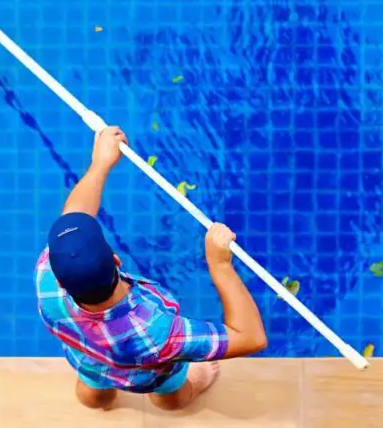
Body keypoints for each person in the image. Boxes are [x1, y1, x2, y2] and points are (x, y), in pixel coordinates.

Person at [35, 126, 268, 411]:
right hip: (147, 374)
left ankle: (98, 400)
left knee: (92, 388)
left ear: (61, 281)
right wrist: (219, 265)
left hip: (89, 358)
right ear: (117, 260)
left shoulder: (46, 281)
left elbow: (73, 218)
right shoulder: (156, 332)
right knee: (174, 395)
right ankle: (176, 394)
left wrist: (100, 165)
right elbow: (251, 338)